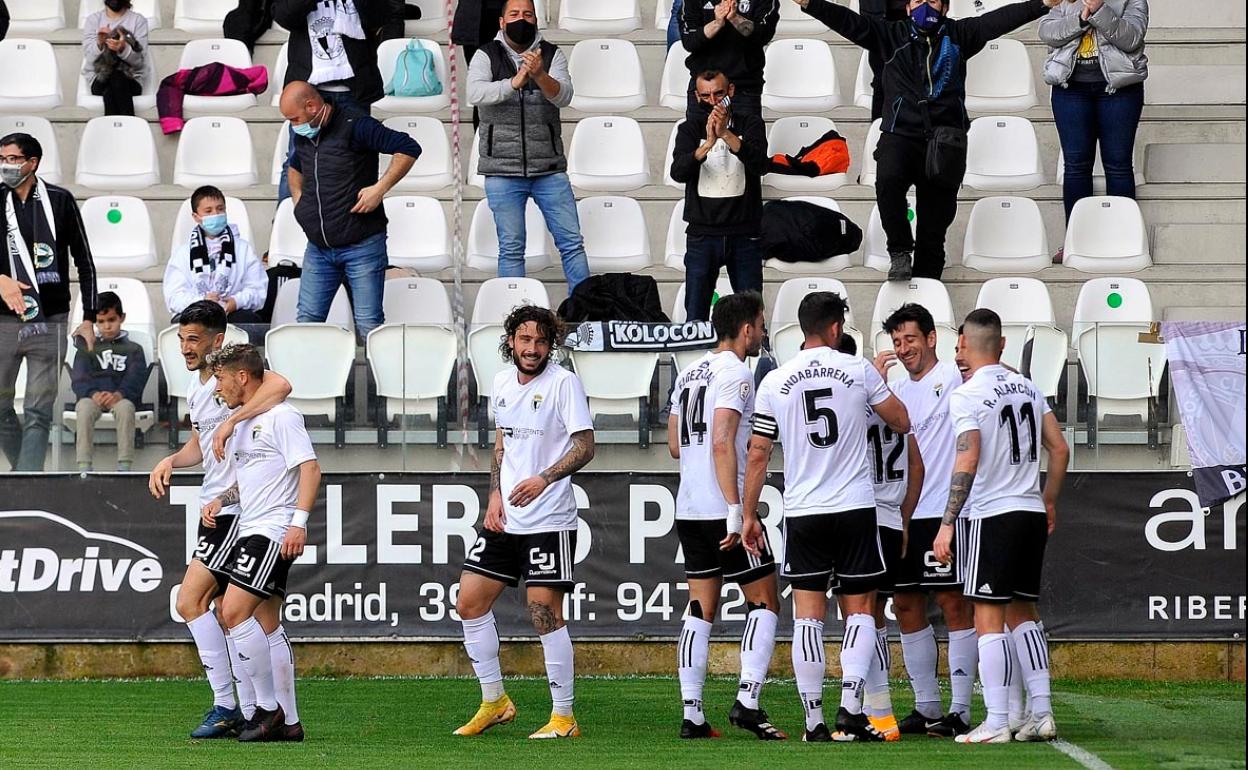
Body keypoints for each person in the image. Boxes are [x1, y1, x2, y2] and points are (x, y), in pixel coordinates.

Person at [742, 291, 910, 742]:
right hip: (855, 505)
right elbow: (901, 421)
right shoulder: (857, 370)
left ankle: (813, 720)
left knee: (808, 616)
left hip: (804, 509)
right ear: (836, 328)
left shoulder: (775, 380)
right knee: (860, 610)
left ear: (802, 328)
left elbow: (758, 453)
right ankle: (850, 709)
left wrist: (747, 513)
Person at [795, 0, 1062, 280]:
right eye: (918, 1)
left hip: (944, 143)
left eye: (932, 1)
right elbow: (849, 23)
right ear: (908, 8)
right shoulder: (890, 35)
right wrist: (811, 4)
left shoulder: (960, 34)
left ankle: (927, 289)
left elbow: (999, 20)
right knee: (888, 180)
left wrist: (1042, 4)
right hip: (901, 135)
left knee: (933, 233)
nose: (924, 7)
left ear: (945, 8)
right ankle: (899, 251)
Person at [147, 301, 293, 739]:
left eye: (193, 339)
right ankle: (263, 711)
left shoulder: (237, 380)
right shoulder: (197, 390)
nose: (185, 347)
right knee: (252, 618)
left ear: (217, 339)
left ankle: (231, 705)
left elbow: (282, 385)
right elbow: (200, 445)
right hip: (214, 507)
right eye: (181, 339)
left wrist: (234, 421)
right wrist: (173, 459)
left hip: (236, 511)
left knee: (193, 601)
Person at [453, 305, 595, 740]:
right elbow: (501, 446)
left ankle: (564, 717)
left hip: (549, 517)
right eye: (524, 340)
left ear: (551, 345)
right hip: (506, 517)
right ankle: (495, 701)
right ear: (511, 341)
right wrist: (494, 495)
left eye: (541, 341)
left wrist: (544, 478)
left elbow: (586, 446)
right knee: (469, 601)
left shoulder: (564, 383)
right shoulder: (499, 382)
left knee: (544, 613)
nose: (532, 349)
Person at [936, 308, 1069, 744]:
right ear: (1003, 345)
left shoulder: (967, 394)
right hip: (1030, 509)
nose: (957, 355)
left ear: (966, 348)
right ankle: (1041, 713)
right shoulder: (1028, 387)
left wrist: (947, 522)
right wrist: (1047, 501)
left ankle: (996, 721)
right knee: (1024, 613)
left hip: (991, 514)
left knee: (988, 617)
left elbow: (967, 456)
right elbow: (1060, 449)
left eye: (958, 347)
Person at [667, 291, 785, 741]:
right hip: (724, 507)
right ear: (747, 328)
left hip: (690, 505)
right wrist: (738, 511)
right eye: (760, 322)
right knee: (765, 600)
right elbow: (722, 439)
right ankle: (748, 702)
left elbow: (677, 445)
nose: (762, 332)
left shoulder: (689, 371)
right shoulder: (737, 372)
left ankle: (693, 712)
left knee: (701, 608)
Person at [876, 302, 977, 738]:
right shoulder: (895, 389)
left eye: (911, 339)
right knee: (906, 605)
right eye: (897, 342)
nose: (904, 349)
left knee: (954, 603)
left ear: (932, 338)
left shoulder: (956, 377)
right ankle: (927, 706)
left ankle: (960, 709)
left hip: (948, 511)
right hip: (909, 511)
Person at [212, 342, 320, 742]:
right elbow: (256, 480)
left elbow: (309, 469)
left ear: (242, 377)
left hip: (272, 530)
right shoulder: (243, 421)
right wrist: (222, 500)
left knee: (233, 612)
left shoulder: (283, 417)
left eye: (221, 378)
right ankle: (290, 722)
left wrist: (299, 524)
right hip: (251, 527)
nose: (217, 387)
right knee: (266, 623)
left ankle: (267, 709)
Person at [279, 80, 421, 339]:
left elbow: (408, 148)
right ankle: (309, 380)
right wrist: (300, 203)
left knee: (369, 325)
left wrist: (379, 189)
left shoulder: (356, 124)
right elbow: (294, 166)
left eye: (294, 118)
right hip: (318, 247)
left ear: (311, 106)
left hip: (362, 245)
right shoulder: (303, 133)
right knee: (307, 323)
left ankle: (379, 381)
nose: (293, 125)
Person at [467, 0, 590, 292]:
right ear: (501, 22)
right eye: (514, 14)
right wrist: (514, 82)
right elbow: (474, 92)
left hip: (548, 168)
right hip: (501, 170)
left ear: (535, 20)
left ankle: (586, 316)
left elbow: (564, 96)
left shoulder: (551, 53)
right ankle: (515, 320)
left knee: (571, 243)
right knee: (511, 248)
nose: (520, 20)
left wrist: (539, 76)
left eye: (527, 14)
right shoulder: (487, 54)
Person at [838, 332, 925, 742]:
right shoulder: (895, 408)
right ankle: (880, 715)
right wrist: (905, 519)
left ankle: (874, 713)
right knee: (873, 618)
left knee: (860, 616)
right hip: (890, 520)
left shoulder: (853, 408)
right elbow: (918, 467)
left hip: (863, 516)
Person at [0, 133, 98, 472]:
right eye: (2, 159)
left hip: (51, 315)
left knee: (39, 409)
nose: (6, 166)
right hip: (5, 318)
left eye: (13, 159)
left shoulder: (60, 200)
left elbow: (84, 261)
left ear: (33, 163)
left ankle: (26, 483)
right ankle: (25, 472)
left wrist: (89, 317)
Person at [1040, 0, 1148, 261]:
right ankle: (1076, 241)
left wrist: (1099, 10)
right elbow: (1048, 33)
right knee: (1076, 166)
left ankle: (1124, 242)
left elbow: (1131, 37)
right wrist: (1081, 17)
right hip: (1070, 90)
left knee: (1119, 166)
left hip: (1120, 89)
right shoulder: (1062, 0)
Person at [670, 71, 769, 323]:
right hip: (703, 233)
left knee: (752, 314)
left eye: (718, 94)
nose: (713, 101)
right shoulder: (689, 129)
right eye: (705, 95)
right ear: (697, 96)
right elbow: (678, 171)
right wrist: (707, 144)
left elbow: (760, 165)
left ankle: (756, 361)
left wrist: (726, 134)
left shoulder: (751, 123)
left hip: (744, 231)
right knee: (696, 313)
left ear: (731, 91)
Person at [273, 0, 389, 201]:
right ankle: (288, 226)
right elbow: (285, 16)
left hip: (353, 92)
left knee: (355, 165)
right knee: (298, 163)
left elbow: (379, 17)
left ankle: (353, 229)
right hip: (308, 91)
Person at [164, 186, 268, 324]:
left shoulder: (243, 249)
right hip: (196, 314)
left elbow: (258, 289)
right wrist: (201, 302)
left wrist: (236, 301)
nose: (216, 214)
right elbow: (174, 298)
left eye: (220, 209)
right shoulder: (182, 254)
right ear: (196, 217)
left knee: (249, 321)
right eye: (208, 211)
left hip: (233, 313)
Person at [69, 292, 147, 472]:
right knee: (84, 408)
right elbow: (79, 377)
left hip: (121, 398)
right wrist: (93, 393)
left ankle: (125, 465)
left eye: (112, 320)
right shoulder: (87, 346)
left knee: (126, 409)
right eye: (101, 321)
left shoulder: (134, 349)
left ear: (122, 318)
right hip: (92, 397)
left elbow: (136, 377)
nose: (107, 326)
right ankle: (84, 465)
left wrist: (119, 394)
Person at [679, 0, 780, 118]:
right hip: (704, 88)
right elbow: (689, 41)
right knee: (699, 135)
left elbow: (763, 35)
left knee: (747, 136)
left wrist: (735, 18)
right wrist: (717, 23)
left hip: (744, 86)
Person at [82, 0, 150, 116]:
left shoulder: (138, 21)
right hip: (99, 79)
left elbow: (139, 62)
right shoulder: (93, 20)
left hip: (132, 79)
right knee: (115, 78)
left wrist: (123, 49)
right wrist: (99, 43)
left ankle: (111, 130)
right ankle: (129, 126)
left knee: (112, 86)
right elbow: (89, 58)